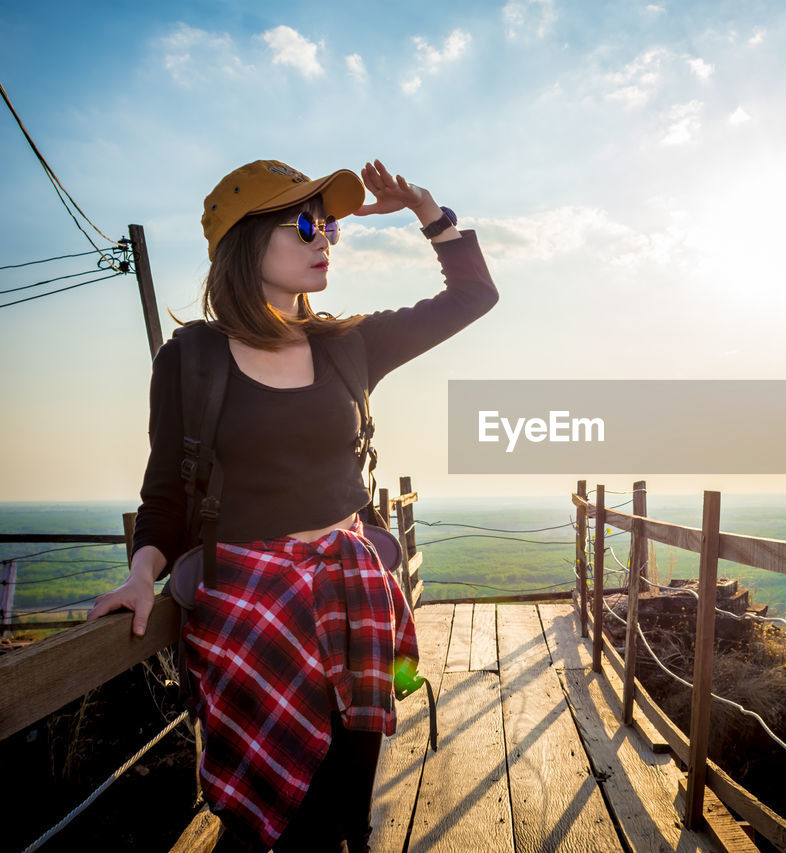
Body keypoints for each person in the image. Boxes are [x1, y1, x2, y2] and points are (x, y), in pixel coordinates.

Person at [87, 158, 499, 852]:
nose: (326, 240)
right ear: (244, 243)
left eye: (330, 226)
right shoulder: (192, 358)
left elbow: (473, 296)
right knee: (265, 825)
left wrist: (431, 213)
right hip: (251, 619)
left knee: (347, 818)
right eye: (306, 223)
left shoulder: (349, 345)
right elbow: (165, 492)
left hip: (355, 600)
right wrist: (140, 572)